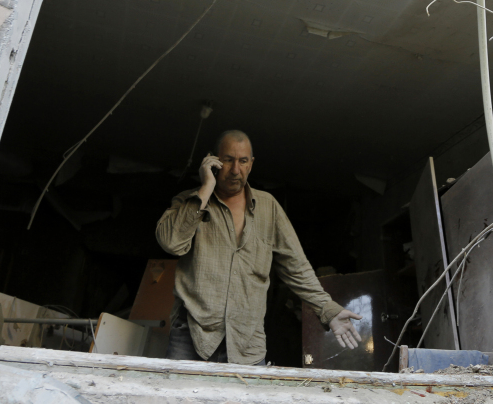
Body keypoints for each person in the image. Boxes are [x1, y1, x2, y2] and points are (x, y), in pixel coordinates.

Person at [155, 129, 362, 364]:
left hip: (247, 341)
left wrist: (328, 309)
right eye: (228, 160)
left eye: (243, 161)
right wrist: (205, 188)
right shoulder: (189, 200)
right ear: (213, 160)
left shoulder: (268, 207)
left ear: (251, 164)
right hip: (193, 333)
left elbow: (296, 266)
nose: (235, 170)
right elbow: (171, 243)